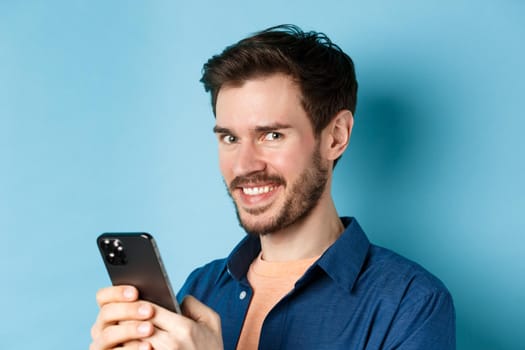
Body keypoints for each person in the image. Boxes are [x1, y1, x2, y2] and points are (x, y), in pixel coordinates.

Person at [90, 24, 455, 350]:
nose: (245, 165)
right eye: (230, 138)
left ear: (336, 137)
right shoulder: (200, 289)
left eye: (272, 135)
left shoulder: (411, 303)